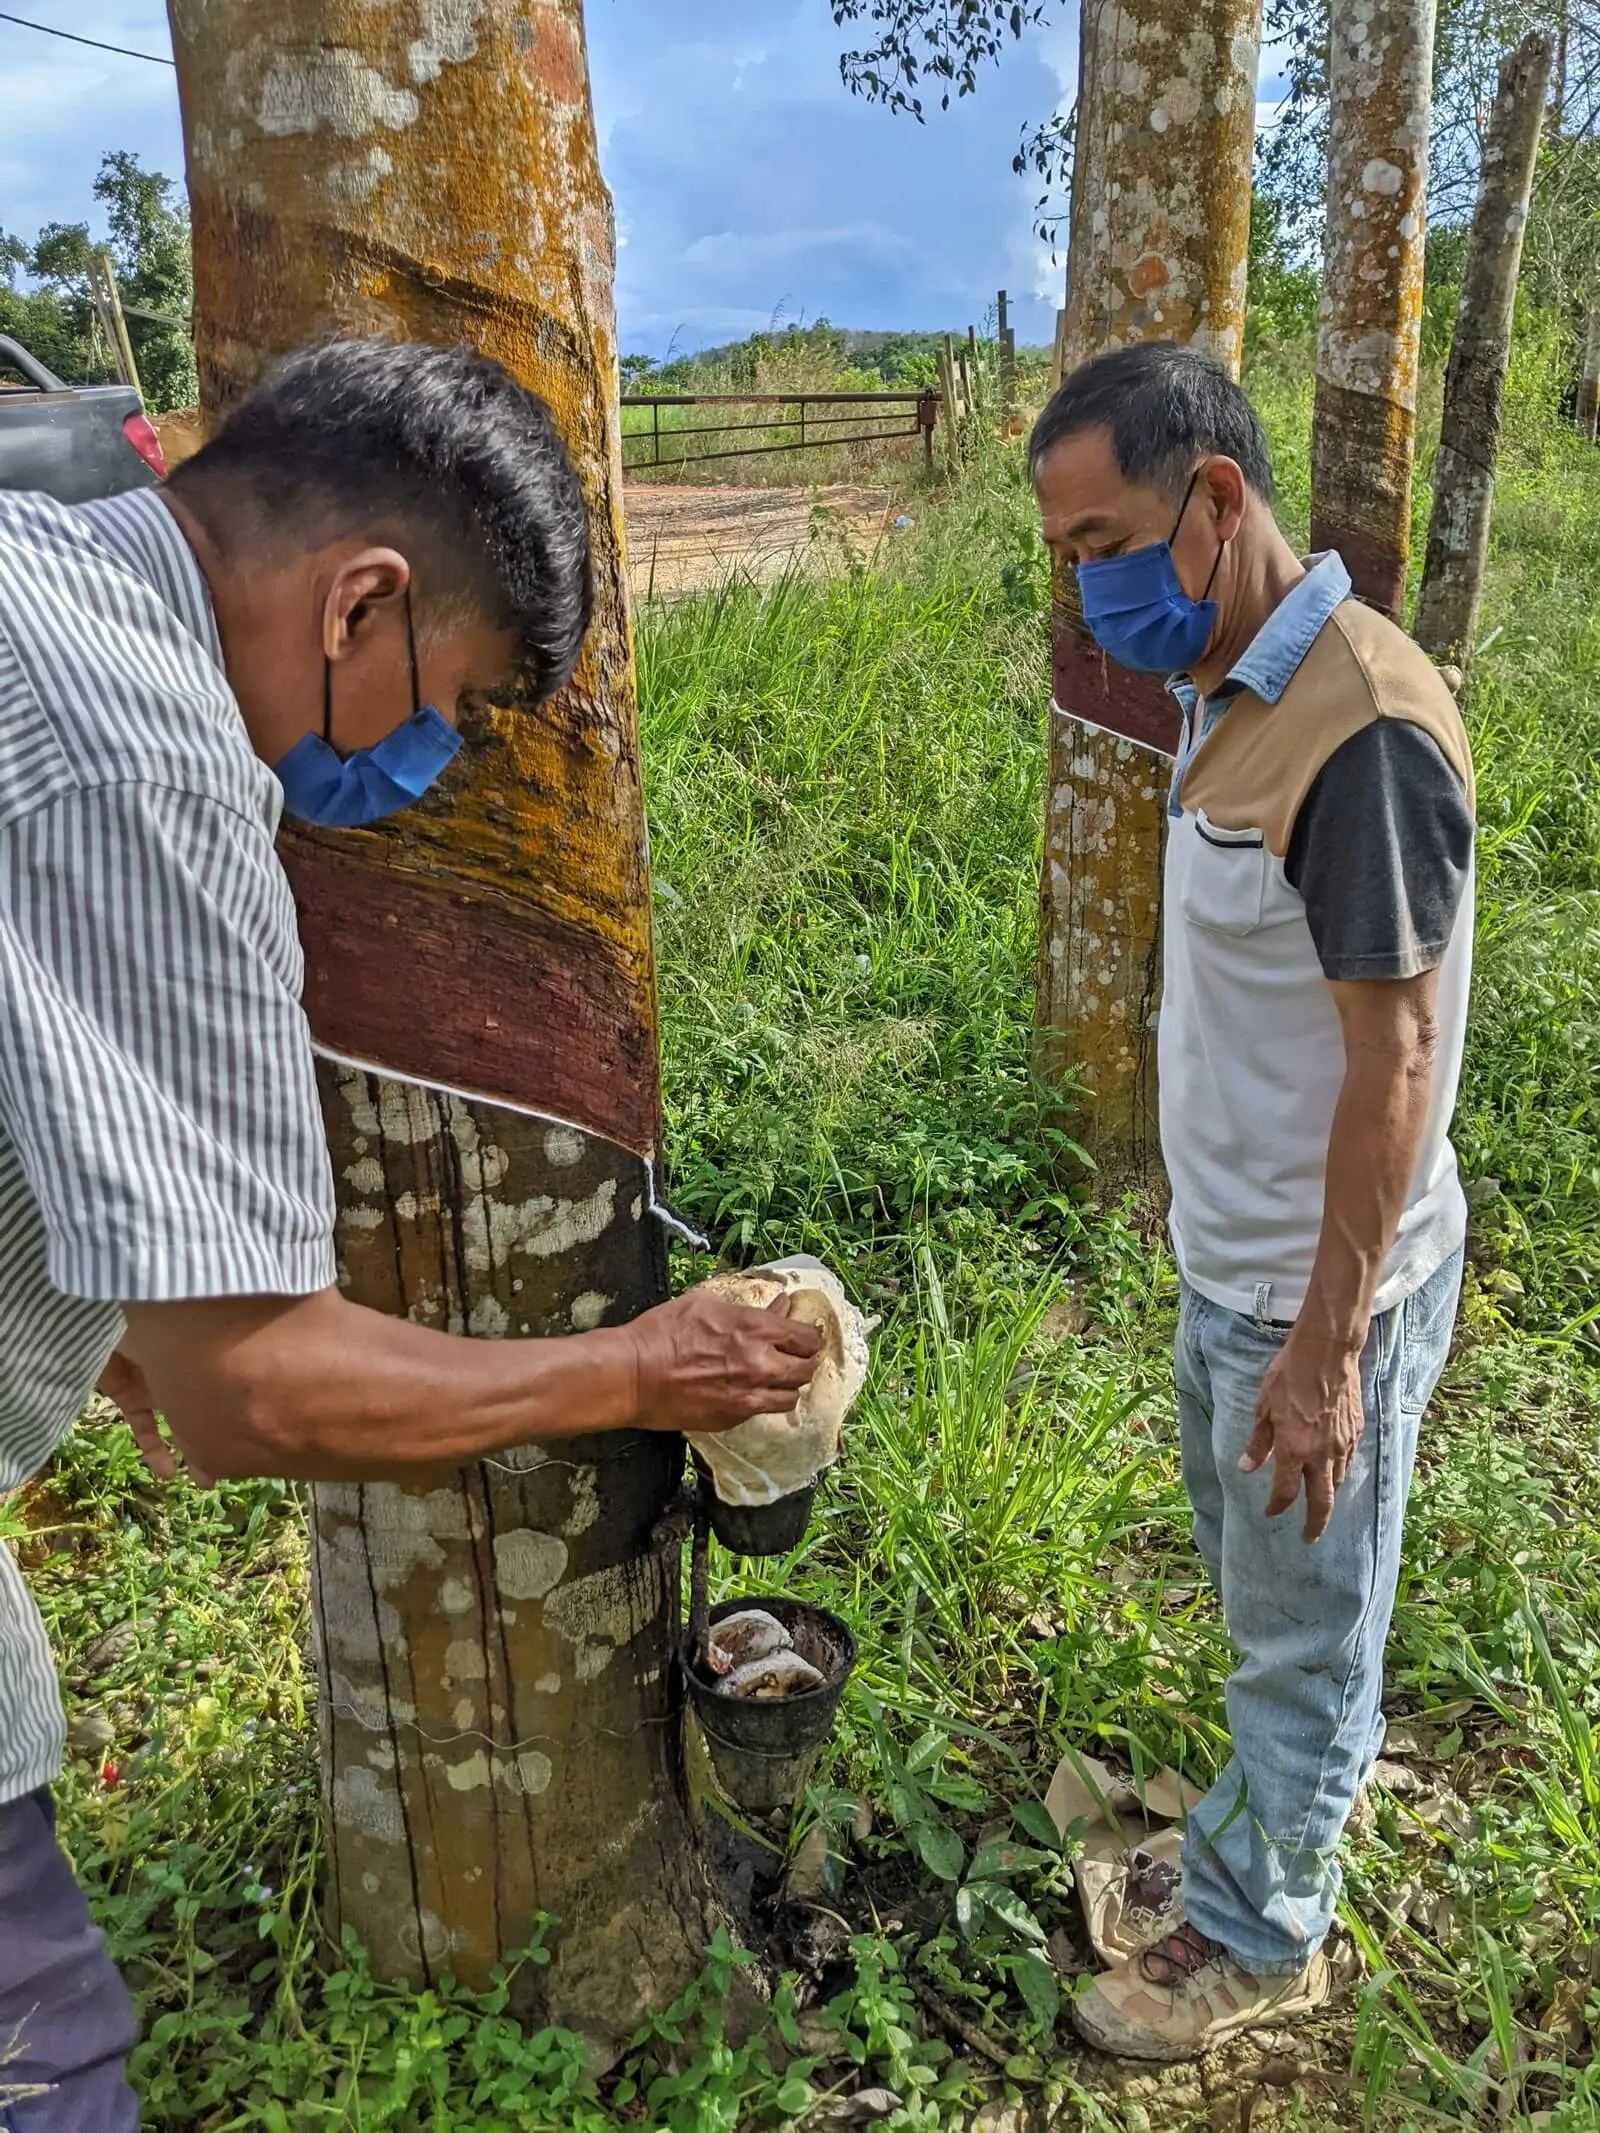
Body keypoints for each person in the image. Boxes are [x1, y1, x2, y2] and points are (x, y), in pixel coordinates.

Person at [0, 338, 821, 2128]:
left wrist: (116, 1304)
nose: (427, 762)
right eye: (447, 698)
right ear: (361, 600)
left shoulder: (29, 574)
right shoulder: (150, 757)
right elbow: (259, 1400)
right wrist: (634, 1364)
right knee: (44, 2060)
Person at [1029, 342, 1475, 2061]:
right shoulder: (1233, 682)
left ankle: (1266, 1930)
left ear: (1217, 501)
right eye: (1064, 555)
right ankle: (1240, 1846)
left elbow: (1397, 1055)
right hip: (1238, 1270)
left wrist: (1326, 1342)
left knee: (1305, 1633)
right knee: (1266, 1591)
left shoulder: (1355, 727)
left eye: (1103, 542)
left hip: (1316, 1291)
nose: (1088, 590)